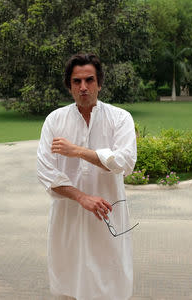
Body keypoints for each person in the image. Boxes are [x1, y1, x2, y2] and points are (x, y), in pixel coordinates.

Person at [37, 53, 137, 300]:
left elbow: (124, 162)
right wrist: (81, 197)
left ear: (99, 84)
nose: (83, 87)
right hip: (68, 215)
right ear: (69, 86)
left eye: (89, 80)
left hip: (108, 213)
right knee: (69, 276)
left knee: (110, 277)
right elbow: (46, 172)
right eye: (76, 81)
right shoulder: (55, 120)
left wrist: (77, 151)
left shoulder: (119, 118)